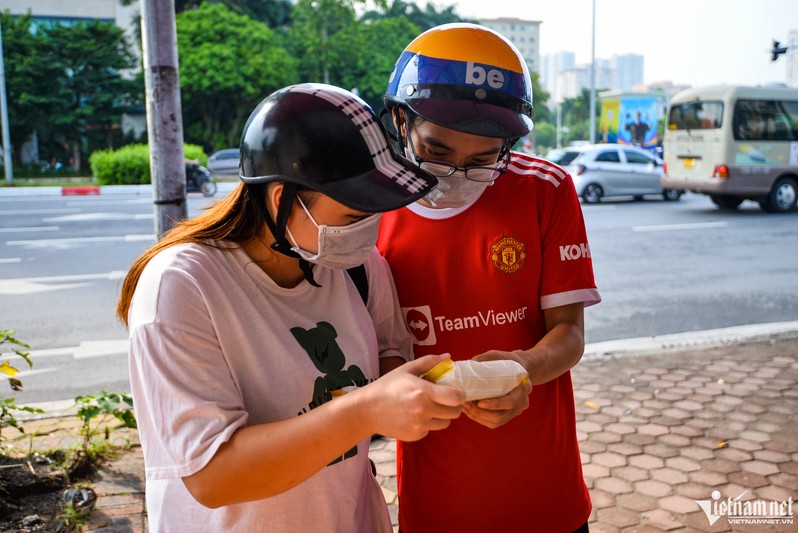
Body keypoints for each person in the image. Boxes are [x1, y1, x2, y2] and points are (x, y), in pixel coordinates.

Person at [116, 83, 466, 532]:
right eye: (354, 215)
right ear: (282, 199)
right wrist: (365, 410)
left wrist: (457, 391)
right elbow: (213, 476)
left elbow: (390, 364)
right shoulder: (181, 286)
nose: (368, 232)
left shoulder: (358, 266)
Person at [376, 24, 602, 532]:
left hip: (547, 496)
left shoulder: (545, 190)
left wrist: (525, 367)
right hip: (436, 505)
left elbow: (568, 333)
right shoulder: (369, 210)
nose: (456, 174)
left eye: (481, 161)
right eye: (437, 152)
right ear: (398, 120)